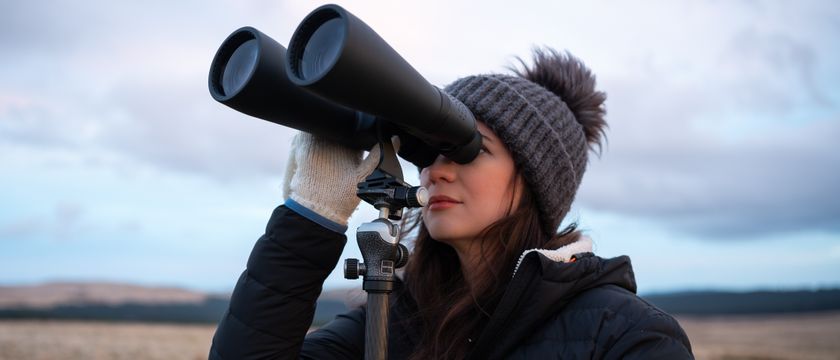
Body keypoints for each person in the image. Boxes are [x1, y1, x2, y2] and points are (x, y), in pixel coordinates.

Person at [208, 48, 694, 359]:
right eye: (427, 149)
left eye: (469, 149)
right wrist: (309, 216)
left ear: (536, 183)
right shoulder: (393, 320)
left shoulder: (627, 336)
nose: (436, 168)